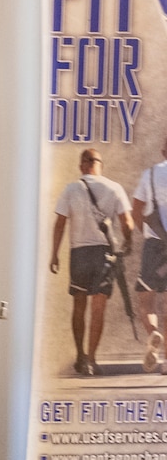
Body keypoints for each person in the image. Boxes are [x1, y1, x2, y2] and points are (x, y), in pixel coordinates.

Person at [51, 147, 135, 378]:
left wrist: (54, 254)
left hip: (79, 253)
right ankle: (91, 359)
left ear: (82, 166)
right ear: (99, 164)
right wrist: (127, 242)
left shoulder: (71, 188)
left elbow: (60, 223)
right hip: (104, 254)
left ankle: (79, 355)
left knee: (79, 307)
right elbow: (127, 223)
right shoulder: (114, 187)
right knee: (98, 309)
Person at [131, 139, 167, 374]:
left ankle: (153, 332)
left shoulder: (150, 174)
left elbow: (136, 209)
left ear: (164, 150)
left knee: (147, 301)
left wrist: (142, 231)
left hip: (155, 244)